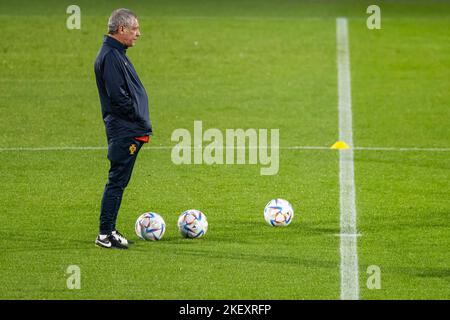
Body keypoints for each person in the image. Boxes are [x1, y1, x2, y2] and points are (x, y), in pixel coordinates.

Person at [94, 8, 152, 249]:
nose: (138, 33)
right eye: (134, 28)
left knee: (119, 181)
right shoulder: (110, 56)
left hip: (129, 127)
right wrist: (136, 116)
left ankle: (109, 230)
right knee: (117, 181)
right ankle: (105, 234)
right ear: (121, 29)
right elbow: (118, 97)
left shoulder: (116, 53)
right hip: (124, 130)